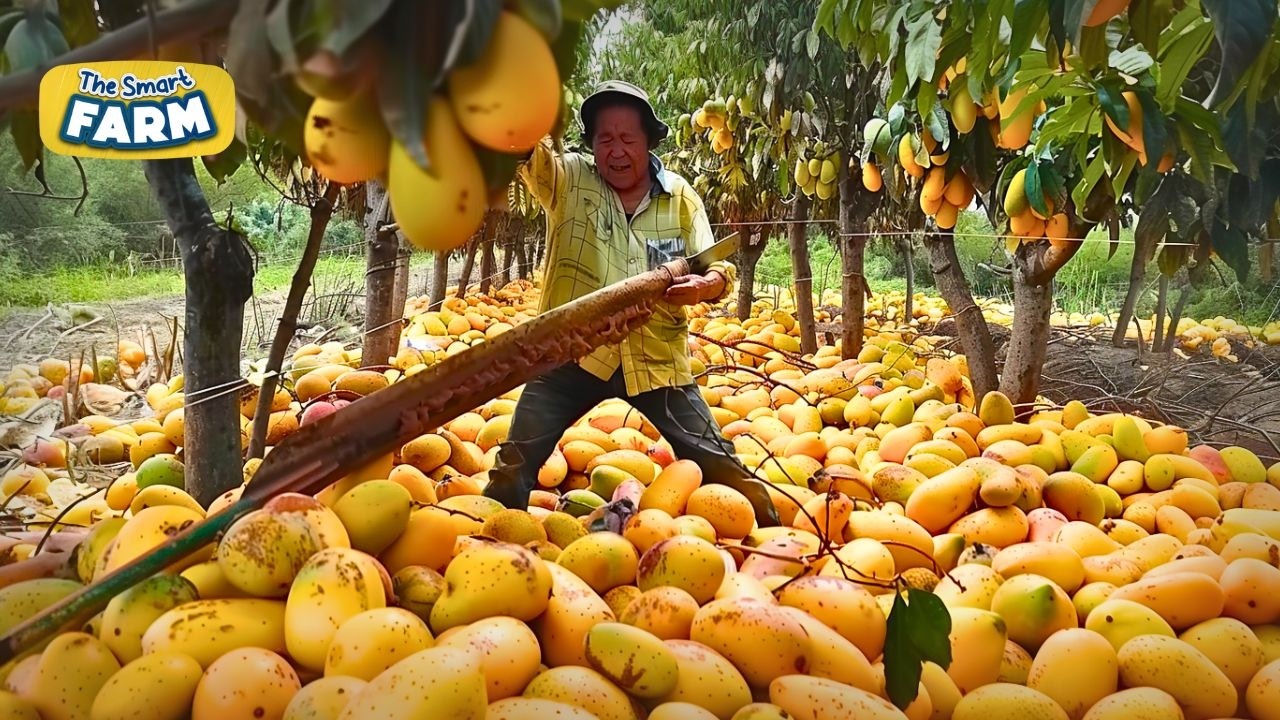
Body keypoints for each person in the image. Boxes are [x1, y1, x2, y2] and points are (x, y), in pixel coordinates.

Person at [482, 80, 780, 528]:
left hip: (655, 359)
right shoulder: (568, 180)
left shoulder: (679, 196)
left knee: (717, 459)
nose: (616, 151)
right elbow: (525, 150)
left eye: (627, 138)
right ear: (592, 145)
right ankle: (494, 540)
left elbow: (717, 267)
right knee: (516, 457)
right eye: (605, 139)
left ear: (648, 142)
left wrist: (705, 286)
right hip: (572, 354)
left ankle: (774, 537)